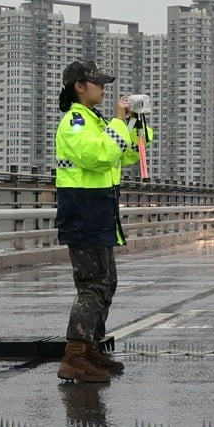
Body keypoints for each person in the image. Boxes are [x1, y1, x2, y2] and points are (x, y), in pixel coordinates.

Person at [55, 60, 133, 383]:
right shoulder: (74, 121)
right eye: (97, 82)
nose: (103, 87)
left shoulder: (95, 120)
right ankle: (74, 356)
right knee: (91, 285)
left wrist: (132, 127)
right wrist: (117, 122)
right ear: (79, 86)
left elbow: (122, 155)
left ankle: (90, 348)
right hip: (83, 211)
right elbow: (97, 156)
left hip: (99, 210)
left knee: (106, 282)